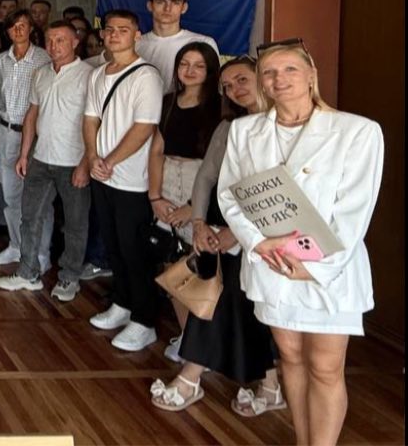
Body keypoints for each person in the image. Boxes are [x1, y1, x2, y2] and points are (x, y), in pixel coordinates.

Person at [218, 43, 384, 445]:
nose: (280, 79)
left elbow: (355, 209)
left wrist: (315, 267)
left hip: (328, 270)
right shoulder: (245, 131)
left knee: (325, 368)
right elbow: (230, 194)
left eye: (290, 69)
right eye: (270, 72)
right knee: (290, 357)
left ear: (311, 74)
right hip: (272, 263)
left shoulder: (356, 131)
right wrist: (258, 243)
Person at [149, 56, 283, 417]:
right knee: (230, 303)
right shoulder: (230, 127)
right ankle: (270, 385)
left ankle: (191, 376)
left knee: (232, 303)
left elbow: (277, 191)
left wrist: (236, 234)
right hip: (219, 225)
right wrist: (198, 222)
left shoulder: (281, 126)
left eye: (241, 80)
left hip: (261, 232)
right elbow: (207, 177)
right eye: (227, 85)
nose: (234, 89)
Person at [83, 9, 164, 352]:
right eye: (110, 30)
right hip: (103, 176)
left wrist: (111, 161)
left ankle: (144, 321)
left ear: (137, 35)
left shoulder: (146, 76)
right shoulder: (98, 74)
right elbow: (90, 119)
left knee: (135, 251)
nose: (114, 35)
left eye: (123, 30)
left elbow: (144, 127)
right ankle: (122, 303)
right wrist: (92, 157)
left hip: (132, 180)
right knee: (114, 245)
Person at [0, 21, 95, 301]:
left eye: (61, 40)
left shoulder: (89, 75)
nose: (54, 46)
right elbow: (32, 115)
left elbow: (96, 123)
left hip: (73, 161)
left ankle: (69, 277)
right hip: (40, 158)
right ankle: (28, 271)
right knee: (30, 217)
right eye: (50, 40)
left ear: (75, 42)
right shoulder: (41, 73)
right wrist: (24, 154)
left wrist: (86, 163)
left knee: (75, 223)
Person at [149, 42, 224, 363]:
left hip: (201, 182)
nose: (190, 71)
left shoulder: (220, 108)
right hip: (168, 179)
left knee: (200, 264)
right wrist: (155, 196)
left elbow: (219, 166)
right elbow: (156, 150)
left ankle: (206, 341)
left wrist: (194, 207)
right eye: (184, 64)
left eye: (198, 65)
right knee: (172, 264)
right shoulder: (168, 102)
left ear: (210, 71)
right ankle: (186, 336)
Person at [0, 10, 53, 267]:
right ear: (7, 31)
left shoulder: (43, 59)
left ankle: (41, 253)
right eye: (13, 26)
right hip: (7, 131)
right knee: (11, 196)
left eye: (22, 25)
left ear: (31, 29)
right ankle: (16, 246)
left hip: (35, 135)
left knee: (39, 199)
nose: (18, 30)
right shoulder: (1, 61)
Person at [136, 0, 219, 94]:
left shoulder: (204, 43)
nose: (167, 8)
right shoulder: (135, 44)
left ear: (184, 8)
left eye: (175, 2)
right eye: (161, 2)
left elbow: (214, 87)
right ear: (150, 6)